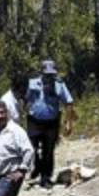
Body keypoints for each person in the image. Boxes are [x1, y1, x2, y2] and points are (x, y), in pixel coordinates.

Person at [24, 60, 75, 188]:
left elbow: (68, 102)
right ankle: (37, 167)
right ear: (41, 73)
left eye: (51, 74)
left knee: (48, 150)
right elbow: (24, 99)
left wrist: (68, 123)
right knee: (32, 148)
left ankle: (46, 177)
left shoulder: (59, 85)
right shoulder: (32, 84)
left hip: (51, 122)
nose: (49, 77)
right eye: (46, 74)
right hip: (34, 121)